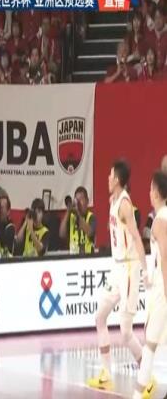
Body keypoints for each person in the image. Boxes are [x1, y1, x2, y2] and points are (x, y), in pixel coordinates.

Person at [87, 160, 150, 391]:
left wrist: (145, 270)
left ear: (117, 180)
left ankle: (146, 376)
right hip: (117, 267)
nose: (107, 177)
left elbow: (136, 238)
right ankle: (106, 373)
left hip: (130, 269)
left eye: (110, 174)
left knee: (125, 333)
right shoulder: (113, 200)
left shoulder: (124, 204)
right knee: (99, 317)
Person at [133, 171, 167, 399]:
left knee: (149, 346)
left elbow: (165, 255)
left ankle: (137, 394)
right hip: (160, 285)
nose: (148, 192)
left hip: (162, 290)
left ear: (155, 192)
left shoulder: (160, 220)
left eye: (150, 188)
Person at [59, 187, 96, 254]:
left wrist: (77, 213)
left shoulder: (91, 217)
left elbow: (90, 233)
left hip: (88, 257)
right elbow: (62, 234)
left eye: (81, 199)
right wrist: (68, 211)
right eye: (77, 200)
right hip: (74, 258)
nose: (78, 203)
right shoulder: (71, 217)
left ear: (87, 201)